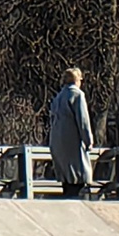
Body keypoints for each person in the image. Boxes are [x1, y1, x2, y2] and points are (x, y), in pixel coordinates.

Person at [47, 66, 94, 200]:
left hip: (57, 141)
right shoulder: (77, 95)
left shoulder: (58, 97)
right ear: (77, 80)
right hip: (72, 141)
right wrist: (88, 140)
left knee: (66, 179)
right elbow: (83, 120)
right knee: (78, 176)